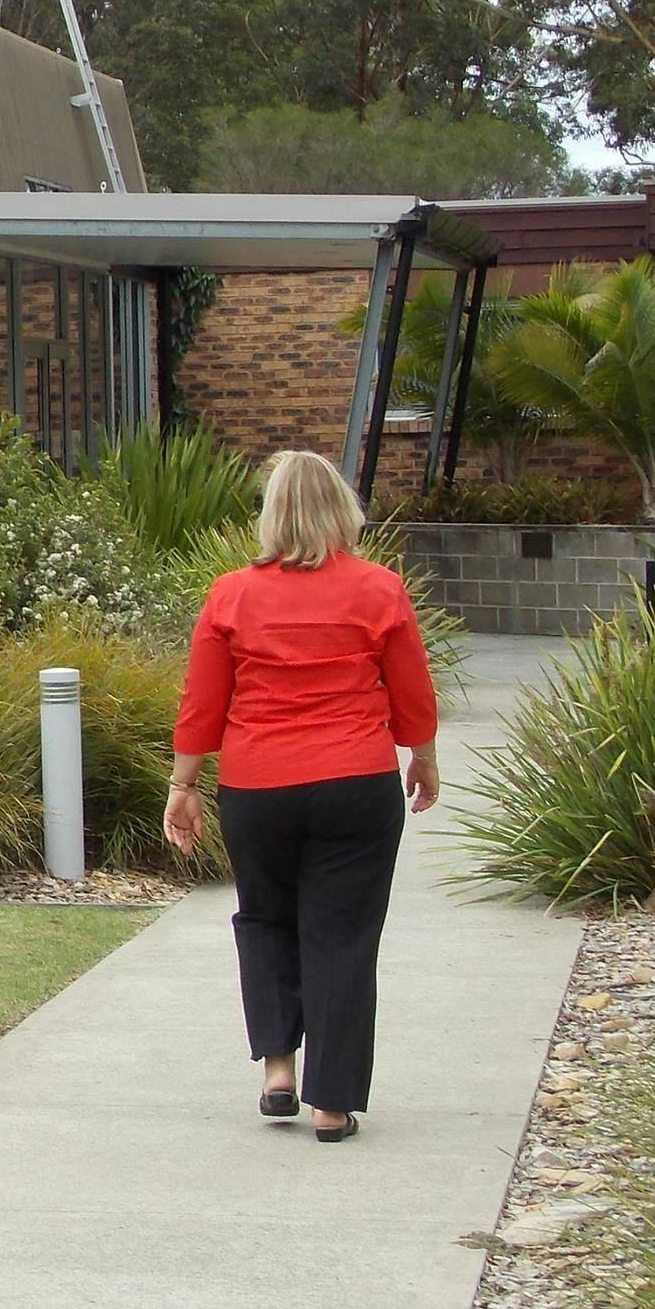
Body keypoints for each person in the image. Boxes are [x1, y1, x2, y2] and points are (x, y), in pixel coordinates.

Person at [163, 449, 440, 1144]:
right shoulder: (379, 589)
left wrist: (184, 783)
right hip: (355, 780)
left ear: (271, 515)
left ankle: (279, 1070)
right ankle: (332, 1104)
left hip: (259, 785)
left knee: (264, 918)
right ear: (342, 508)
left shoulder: (232, 594)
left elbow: (204, 701)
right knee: (343, 937)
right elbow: (411, 691)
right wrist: (424, 758)